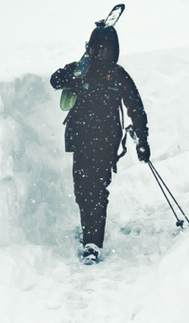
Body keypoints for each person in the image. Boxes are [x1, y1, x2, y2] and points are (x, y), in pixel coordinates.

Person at [50, 23, 150, 264]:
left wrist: (142, 139)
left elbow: (135, 107)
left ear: (114, 51)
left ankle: (93, 243)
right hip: (81, 141)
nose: (103, 53)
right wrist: (79, 67)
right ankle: (89, 232)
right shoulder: (81, 70)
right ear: (92, 49)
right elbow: (55, 81)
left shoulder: (118, 75)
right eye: (99, 49)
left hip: (106, 143)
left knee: (97, 191)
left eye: (108, 49)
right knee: (82, 192)